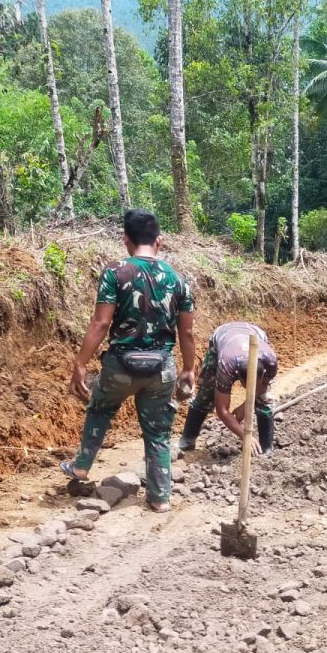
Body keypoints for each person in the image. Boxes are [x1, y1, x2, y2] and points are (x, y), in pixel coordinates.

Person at [61, 209, 196, 512]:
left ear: (126, 239)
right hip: (161, 370)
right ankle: (160, 498)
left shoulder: (115, 271)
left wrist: (80, 364)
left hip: (120, 366)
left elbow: (99, 324)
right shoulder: (178, 279)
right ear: (159, 241)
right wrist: (189, 369)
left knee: (100, 408)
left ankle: (81, 467)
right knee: (158, 433)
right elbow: (187, 332)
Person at [177, 322, 278, 455]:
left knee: (264, 399)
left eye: (257, 383)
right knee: (207, 394)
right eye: (247, 386)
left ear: (263, 373)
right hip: (224, 337)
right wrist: (245, 436)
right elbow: (222, 410)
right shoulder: (226, 366)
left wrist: (246, 405)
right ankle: (187, 440)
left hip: (254, 333)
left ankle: (266, 449)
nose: (252, 388)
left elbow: (263, 386)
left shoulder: (270, 362)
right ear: (238, 378)